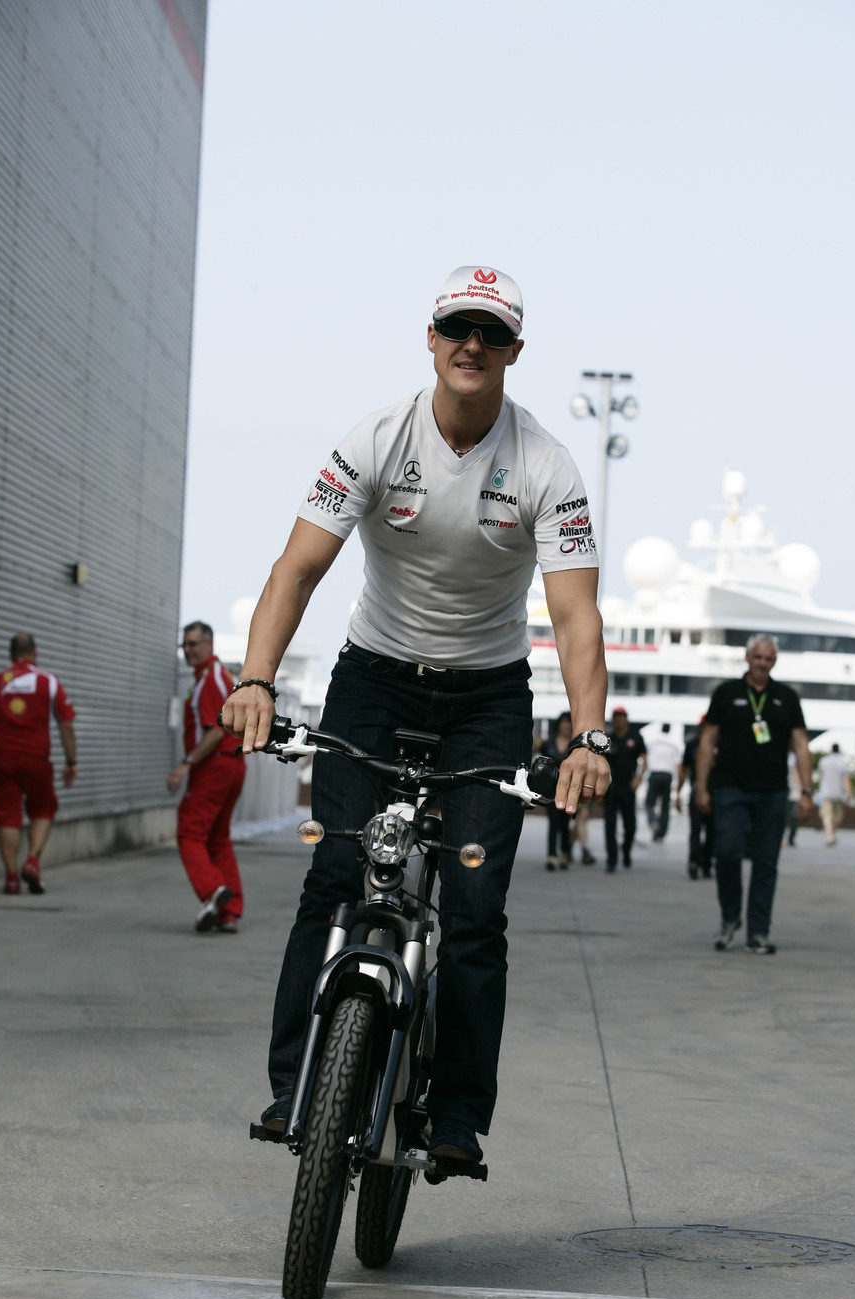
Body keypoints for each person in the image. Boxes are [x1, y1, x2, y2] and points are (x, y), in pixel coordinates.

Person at [221, 264, 612, 1165]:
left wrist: (588, 732)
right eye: (456, 328)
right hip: (373, 678)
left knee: (473, 906)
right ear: (430, 339)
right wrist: (255, 679)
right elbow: (296, 569)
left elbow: (575, 614)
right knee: (332, 882)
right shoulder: (374, 438)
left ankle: (460, 1114)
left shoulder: (547, 464)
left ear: (515, 350)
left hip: (486, 694)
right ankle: (294, 1089)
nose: (472, 344)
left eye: (492, 332)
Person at [694, 633, 813, 955]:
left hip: (773, 792)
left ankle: (758, 932)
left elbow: (801, 743)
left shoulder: (786, 697)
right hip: (730, 788)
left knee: (766, 862)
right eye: (758, 658)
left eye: (769, 659)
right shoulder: (726, 693)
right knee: (728, 853)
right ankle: (730, 918)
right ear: (748, 658)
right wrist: (701, 786)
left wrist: (806, 790)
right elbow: (707, 740)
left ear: (774, 661)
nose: (762, 664)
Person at [0, 632, 77, 894]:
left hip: (2, 760)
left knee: (7, 816)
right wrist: (71, 760)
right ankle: (31, 861)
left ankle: (11, 879)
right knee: (42, 809)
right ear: (35, 653)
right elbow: (65, 725)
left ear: (10, 654)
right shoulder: (48, 682)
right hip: (36, 759)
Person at [166, 622, 246, 933]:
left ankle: (213, 892)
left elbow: (217, 728)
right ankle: (229, 911)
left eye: (193, 644)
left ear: (209, 644)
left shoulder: (211, 677)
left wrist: (186, 762)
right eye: (184, 645)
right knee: (217, 838)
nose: (188, 650)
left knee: (189, 832)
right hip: (229, 765)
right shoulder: (215, 676)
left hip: (214, 765)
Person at [603, 706, 646, 871]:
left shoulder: (635, 738)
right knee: (610, 825)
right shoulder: (609, 738)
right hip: (612, 788)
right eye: (616, 716)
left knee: (630, 825)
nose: (618, 720)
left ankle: (626, 850)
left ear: (626, 718)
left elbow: (643, 759)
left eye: (621, 716)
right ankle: (611, 859)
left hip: (629, 787)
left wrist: (638, 777)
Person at [676, 722, 713, 879]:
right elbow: (683, 768)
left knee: (713, 832)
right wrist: (678, 791)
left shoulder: (720, 742)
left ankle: (707, 863)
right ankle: (693, 862)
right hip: (697, 792)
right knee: (695, 831)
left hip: (715, 794)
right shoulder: (692, 744)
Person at [539, 711, 576, 870]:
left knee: (565, 824)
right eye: (564, 721)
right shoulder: (548, 743)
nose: (566, 725)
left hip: (570, 789)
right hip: (551, 790)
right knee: (553, 823)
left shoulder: (576, 744)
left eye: (569, 722)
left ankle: (564, 854)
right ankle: (551, 855)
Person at [644, 723, 681, 841]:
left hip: (655, 774)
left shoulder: (653, 742)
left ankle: (654, 823)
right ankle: (661, 833)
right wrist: (678, 783)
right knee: (665, 807)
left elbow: (645, 758)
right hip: (667, 776)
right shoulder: (674, 744)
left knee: (649, 803)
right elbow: (678, 765)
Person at [817, 743, 852, 846]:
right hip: (839, 793)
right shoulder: (843, 762)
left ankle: (830, 834)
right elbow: (846, 779)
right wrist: (848, 793)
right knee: (837, 816)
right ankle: (831, 835)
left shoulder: (823, 761)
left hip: (826, 792)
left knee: (827, 815)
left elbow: (819, 776)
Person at [784, 750, 802, 846]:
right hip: (787, 791)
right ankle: (788, 838)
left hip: (791, 792)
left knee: (790, 816)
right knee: (791, 816)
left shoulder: (793, 758)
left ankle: (789, 838)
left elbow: (796, 774)